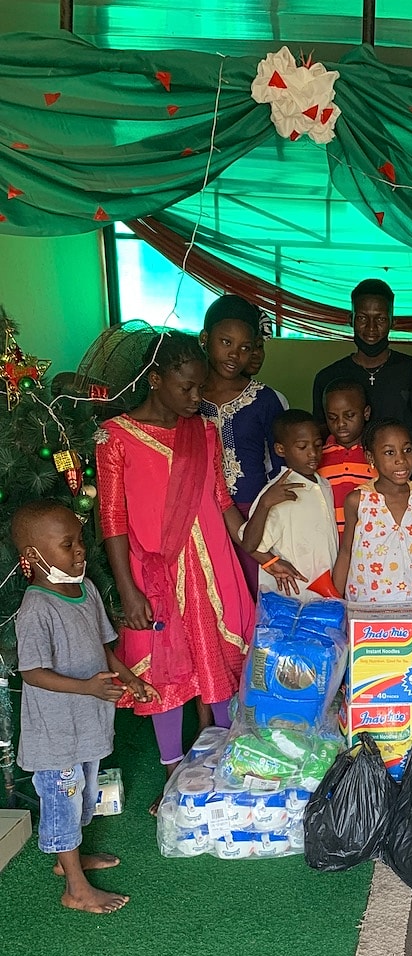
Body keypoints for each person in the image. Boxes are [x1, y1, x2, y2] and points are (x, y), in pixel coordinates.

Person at [95, 331, 254, 798]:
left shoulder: (203, 430)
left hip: (211, 567)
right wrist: (128, 590)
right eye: (185, 387)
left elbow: (221, 500)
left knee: (219, 662)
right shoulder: (116, 438)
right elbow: (113, 521)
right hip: (153, 574)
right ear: (155, 379)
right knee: (163, 670)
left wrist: (256, 547)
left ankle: (229, 758)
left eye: (200, 388)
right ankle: (172, 772)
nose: (195, 397)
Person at [12, 501, 160, 913]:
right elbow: (33, 672)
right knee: (63, 798)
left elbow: (101, 647)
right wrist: (87, 689)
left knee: (82, 794)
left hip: (87, 725)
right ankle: (75, 887)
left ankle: (69, 861)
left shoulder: (87, 589)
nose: (80, 551)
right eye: (67, 545)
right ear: (33, 556)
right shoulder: (37, 608)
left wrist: (129, 678)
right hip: (56, 733)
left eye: (79, 540)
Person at [198, 294, 285, 594]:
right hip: (200, 516)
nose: (234, 354)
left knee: (253, 595)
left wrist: (274, 517)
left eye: (244, 348)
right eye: (225, 342)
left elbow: (281, 465)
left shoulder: (264, 399)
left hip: (254, 515)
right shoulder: (187, 397)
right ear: (205, 339)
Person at [333, 419, 412, 603]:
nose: (401, 460)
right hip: (368, 603)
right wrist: (333, 601)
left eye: (407, 450)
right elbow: (346, 552)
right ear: (370, 458)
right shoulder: (358, 501)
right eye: (390, 453)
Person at [311, 279, 412, 443]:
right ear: (350, 319)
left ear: (393, 322)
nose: (371, 328)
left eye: (380, 319)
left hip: (403, 469)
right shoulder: (328, 378)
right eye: (362, 318)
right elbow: (320, 437)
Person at [240, 409, 338, 601]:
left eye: (318, 445)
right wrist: (265, 503)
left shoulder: (324, 484)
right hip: (290, 598)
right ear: (280, 449)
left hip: (325, 595)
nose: (313, 453)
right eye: (302, 447)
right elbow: (249, 544)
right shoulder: (276, 493)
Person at [317, 380, 376, 537]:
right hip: (329, 547)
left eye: (349, 415)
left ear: (366, 413)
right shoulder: (317, 457)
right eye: (332, 417)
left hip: (372, 546)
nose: (341, 423)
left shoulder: (378, 455)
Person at [244, 310, 289, 409]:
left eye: (260, 346)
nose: (255, 353)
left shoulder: (273, 400)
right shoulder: (202, 397)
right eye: (246, 347)